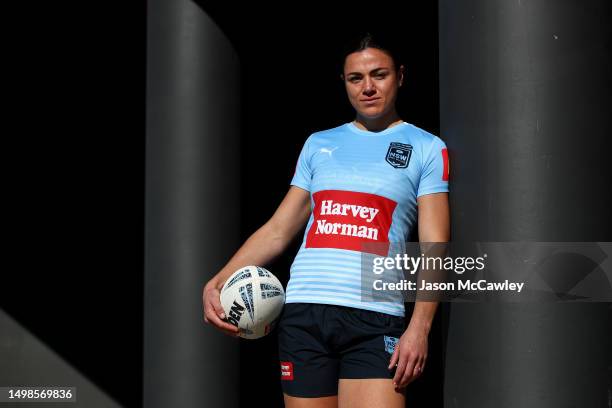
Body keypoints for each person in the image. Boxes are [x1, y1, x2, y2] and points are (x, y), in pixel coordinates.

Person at [202, 32, 450, 408]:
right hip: (304, 312)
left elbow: (434, 246)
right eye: (356, 78)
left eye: (378, 75)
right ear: (344, 82)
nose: (367, 87)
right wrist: (219, 280)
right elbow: (278, 230)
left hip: (376, 314)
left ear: (400, 76)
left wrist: (420, 327)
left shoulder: (426, 147)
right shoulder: (319, 143)